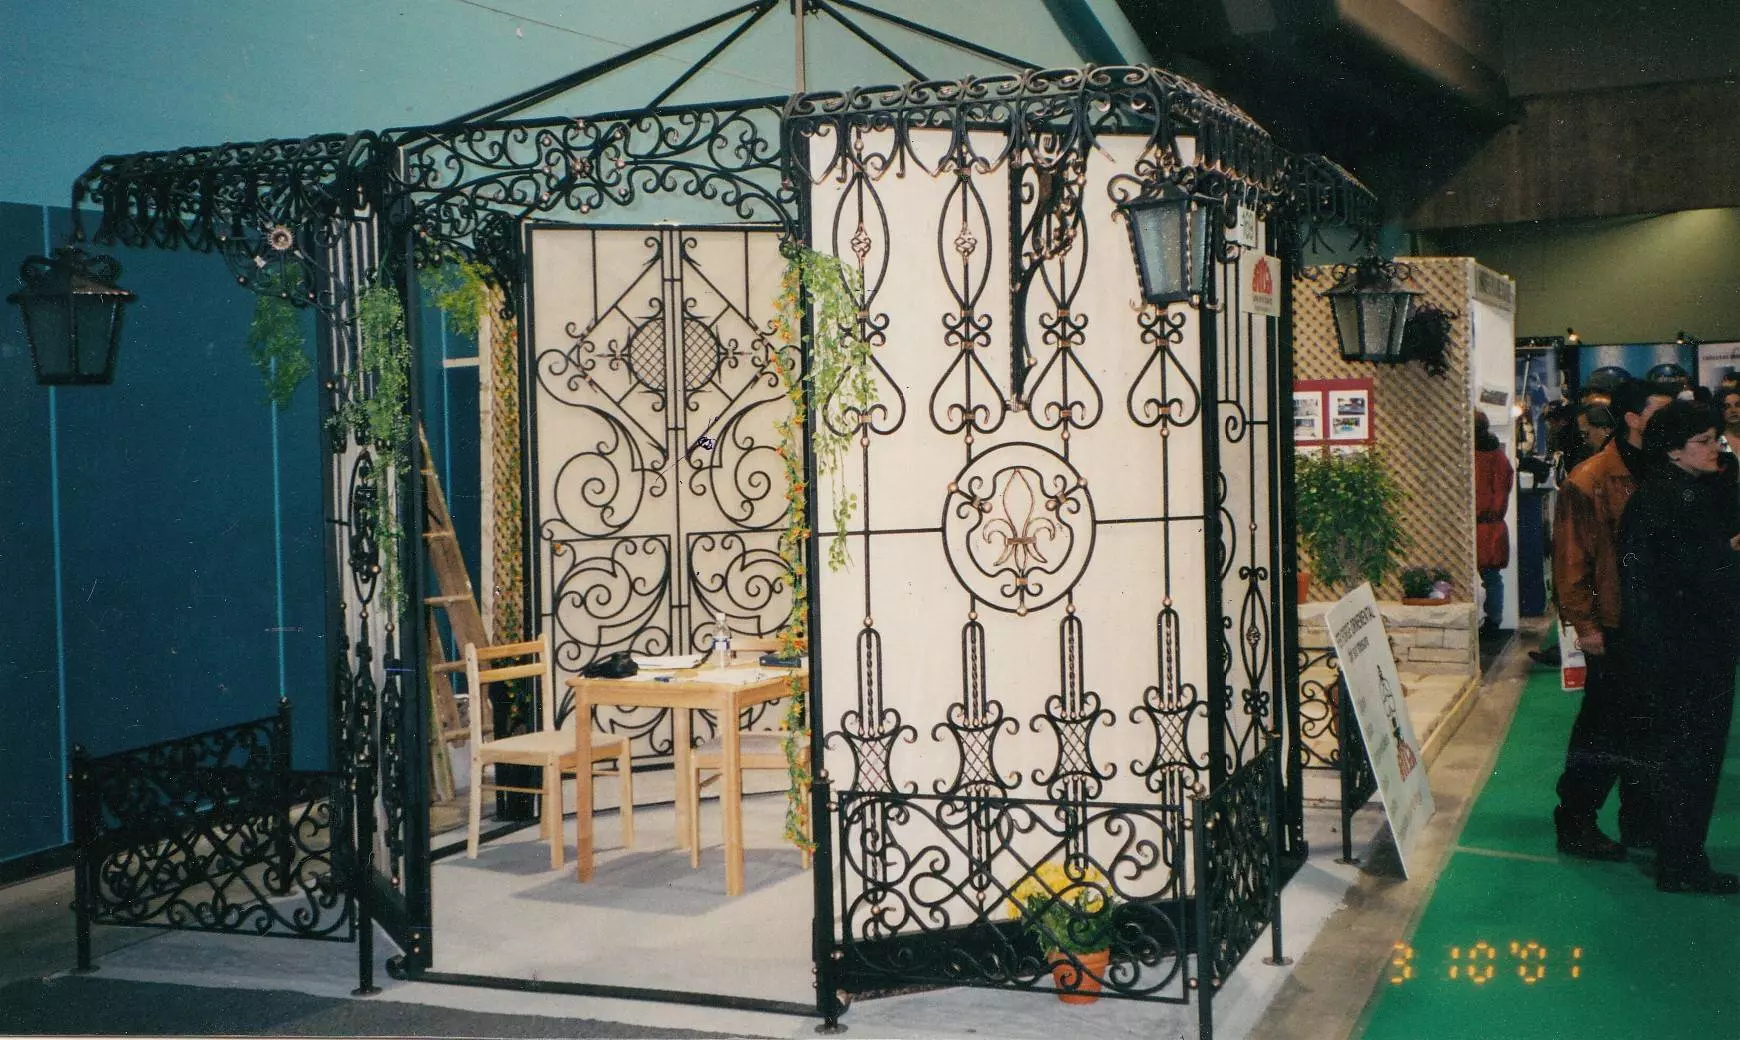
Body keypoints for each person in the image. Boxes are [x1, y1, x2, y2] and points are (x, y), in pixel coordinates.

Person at [1550, 379, 1676, 859]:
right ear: (1632, 417)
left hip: (1658, 625)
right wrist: (1586, 625)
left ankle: (1639, 822)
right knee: (1602, 732)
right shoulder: (1590, 479)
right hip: (1615, 625)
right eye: (1660, 410)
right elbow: (1571, 561)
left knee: (1649, 728)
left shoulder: (1667, 467)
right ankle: (1576, 822)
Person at [1618, 401, 1740, 893]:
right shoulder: (1674, 500)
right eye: (1703, 442)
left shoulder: (1676, 493)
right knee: (1694, 756)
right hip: (1691, 651)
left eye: (1716, 439)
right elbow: (1687, 576)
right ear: (1672, 451)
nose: (1715, 448)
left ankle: (1672, 849)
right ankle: (1682, 862)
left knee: (1677, 754)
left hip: (1677, 649)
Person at [1473, 411, 1513, 633]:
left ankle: (1493, 620)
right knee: (1491, 577)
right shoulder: (1498, 456)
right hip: (1489, 525)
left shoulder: (1489, 457)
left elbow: (1499, 495)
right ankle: (1492, 620)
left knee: (1490, 577)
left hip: (1486, 525)